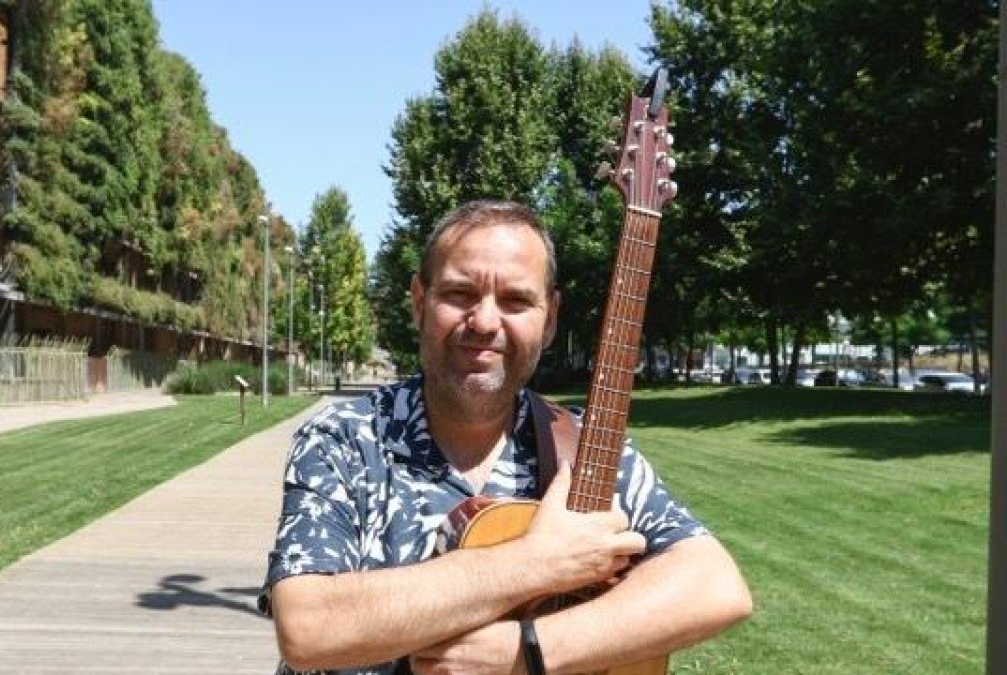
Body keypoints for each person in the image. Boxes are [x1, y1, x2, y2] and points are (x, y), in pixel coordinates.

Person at [262, 200, 752, 674]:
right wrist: (537, 562)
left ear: (550, 318)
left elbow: (715, 586)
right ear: (419, 302)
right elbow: (307, 628)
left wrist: (530, 650)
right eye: (460, 294)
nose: (485, 322)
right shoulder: (344, 440)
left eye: (516, 300)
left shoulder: (588, 450)